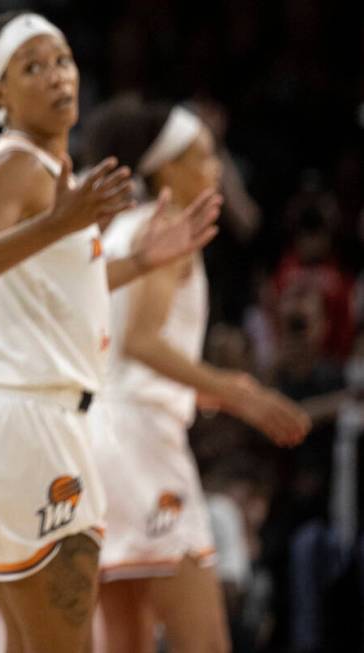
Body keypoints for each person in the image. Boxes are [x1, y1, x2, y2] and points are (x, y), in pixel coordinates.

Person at [0, 12, 221, 652]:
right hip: (25, 423)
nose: (57, 76)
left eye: (62, 59)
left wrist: (140, 259)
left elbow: (52, 282)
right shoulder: (21, 166)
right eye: (33, 66)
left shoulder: (34, 169)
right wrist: (60, 225)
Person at [81, 97, 311, 653]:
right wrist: (231, 388)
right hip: (142, 444)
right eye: (203, 155)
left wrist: (208, 393)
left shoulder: (116, 232)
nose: (214, 167)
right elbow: (141, 342)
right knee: (204, 641)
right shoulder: (168, 232)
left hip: (97, 440)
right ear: (164, 167)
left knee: (125, 639)